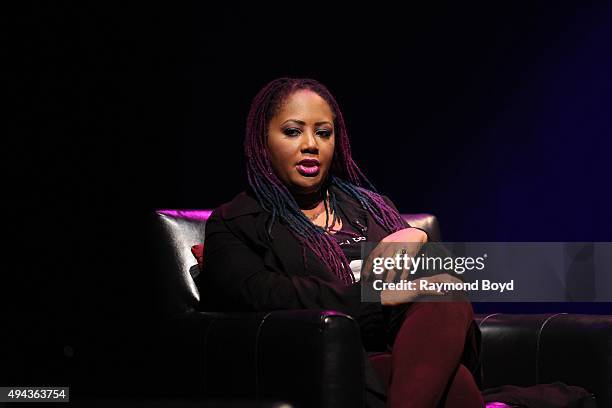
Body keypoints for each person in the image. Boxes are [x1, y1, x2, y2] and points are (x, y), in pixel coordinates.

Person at [195, 77, 484, 407]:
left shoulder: (371, 208)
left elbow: (445, 283)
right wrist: (373, 296)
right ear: (263, 141)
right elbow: (265, 295)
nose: (311, 145)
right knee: (455, 385)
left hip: (406, 344)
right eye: (292, 131)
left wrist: (418, 237)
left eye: (323, 133)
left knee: (443, 295)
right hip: (325, 357)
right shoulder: (235, 222)